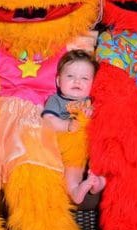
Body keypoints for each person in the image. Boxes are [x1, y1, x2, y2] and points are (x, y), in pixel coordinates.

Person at [42, 50, 105, 204]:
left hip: (92, 140)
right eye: (70, 76)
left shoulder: (93, 101)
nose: (77, 81)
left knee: (107, 154)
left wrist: (93, 114)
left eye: (84, 78)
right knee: (73, 166)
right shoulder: (55, 100)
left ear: (93, 83)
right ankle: (74, 189)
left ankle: (99, 181)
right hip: (70, 141)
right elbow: (48, 119)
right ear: (58, 81)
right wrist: (67, 125)